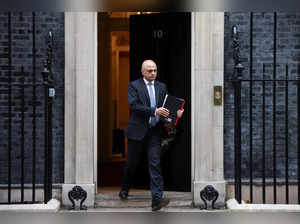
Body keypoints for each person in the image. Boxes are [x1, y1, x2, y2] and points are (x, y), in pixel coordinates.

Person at [119, 59, 184, 211]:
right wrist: (154, 110)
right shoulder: (134, 86)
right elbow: (134, 106)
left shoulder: (162, 86)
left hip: (154, 131)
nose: (153, 73)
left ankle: (156, 200)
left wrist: (176, 114)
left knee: (154, 163)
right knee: (131, 164)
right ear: (142, 71)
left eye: (155, 70)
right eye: (149, 70)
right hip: (137, 132)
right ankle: (124, 189)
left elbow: (167, 108)